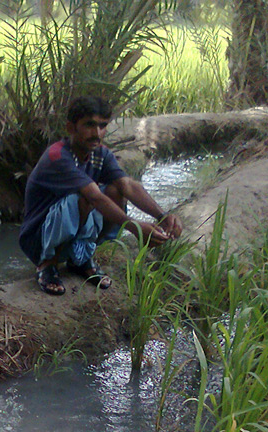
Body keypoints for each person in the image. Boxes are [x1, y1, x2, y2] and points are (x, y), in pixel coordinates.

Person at [19, 96, 184, 295]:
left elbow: (128, 186)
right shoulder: (57, 156)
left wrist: (162, 216)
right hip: (38, 238)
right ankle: (47, 265)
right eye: (89, 125)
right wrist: (135, 228)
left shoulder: (101, 154)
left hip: (69, 226)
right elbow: (95, 197)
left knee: (116, 190)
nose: (97, 133)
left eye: (102, 126)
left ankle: (82, 259)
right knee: (82, 199)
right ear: (71, 127)